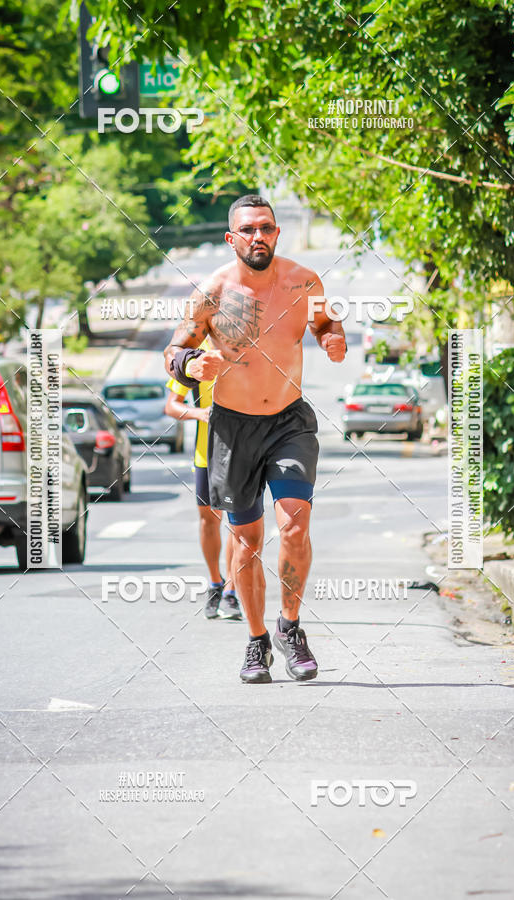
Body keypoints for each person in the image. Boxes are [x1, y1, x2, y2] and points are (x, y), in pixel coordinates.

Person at [164, 195, 346, 684]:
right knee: (246, 542)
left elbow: (326, 321)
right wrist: (189, 364)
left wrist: (333, 337)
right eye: (247, 229)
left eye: (266, 227)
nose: (258, 236)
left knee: (295, 526)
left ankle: (290, 627)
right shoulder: (212, 292)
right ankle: (257, 639)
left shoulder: (304, 281)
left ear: (277, 233)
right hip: (233, 427)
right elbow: (174, 350)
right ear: (232, 238)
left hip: (289, 421)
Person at [165, 336, 242, 621]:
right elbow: (172, 405)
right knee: (209, 520)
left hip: (242, 450)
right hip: (206, 452)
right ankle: (215, 583)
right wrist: (200, 413)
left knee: (238, 523)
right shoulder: (196, 356)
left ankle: (231, 591)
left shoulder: (245, 347)